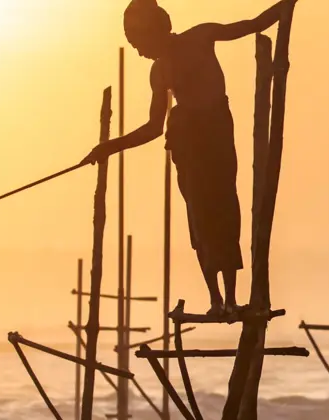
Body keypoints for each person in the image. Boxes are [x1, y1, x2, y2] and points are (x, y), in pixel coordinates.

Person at [83, 0, 295, 317]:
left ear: (157, 31)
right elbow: (154, 127)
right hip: (187, 143)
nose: (140, 53)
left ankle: (231, 299)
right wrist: (109, 147)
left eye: (141, 44)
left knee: (225, 209)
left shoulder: (201, 36)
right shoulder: (160, 71)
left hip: (216, 135)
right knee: (200, 218)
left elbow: (252, 24)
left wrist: (285, 6)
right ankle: (215, 300)